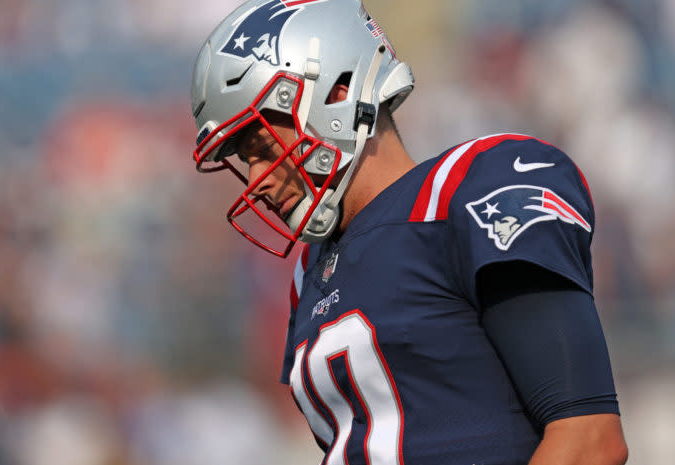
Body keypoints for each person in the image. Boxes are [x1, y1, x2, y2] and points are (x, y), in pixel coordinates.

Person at [190, 1, 628, 464]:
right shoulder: (309, 273)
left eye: (261, 145)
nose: (258, 177)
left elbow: (588, 440)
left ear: (337, 92)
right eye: (245, 158)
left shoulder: (466, 188)